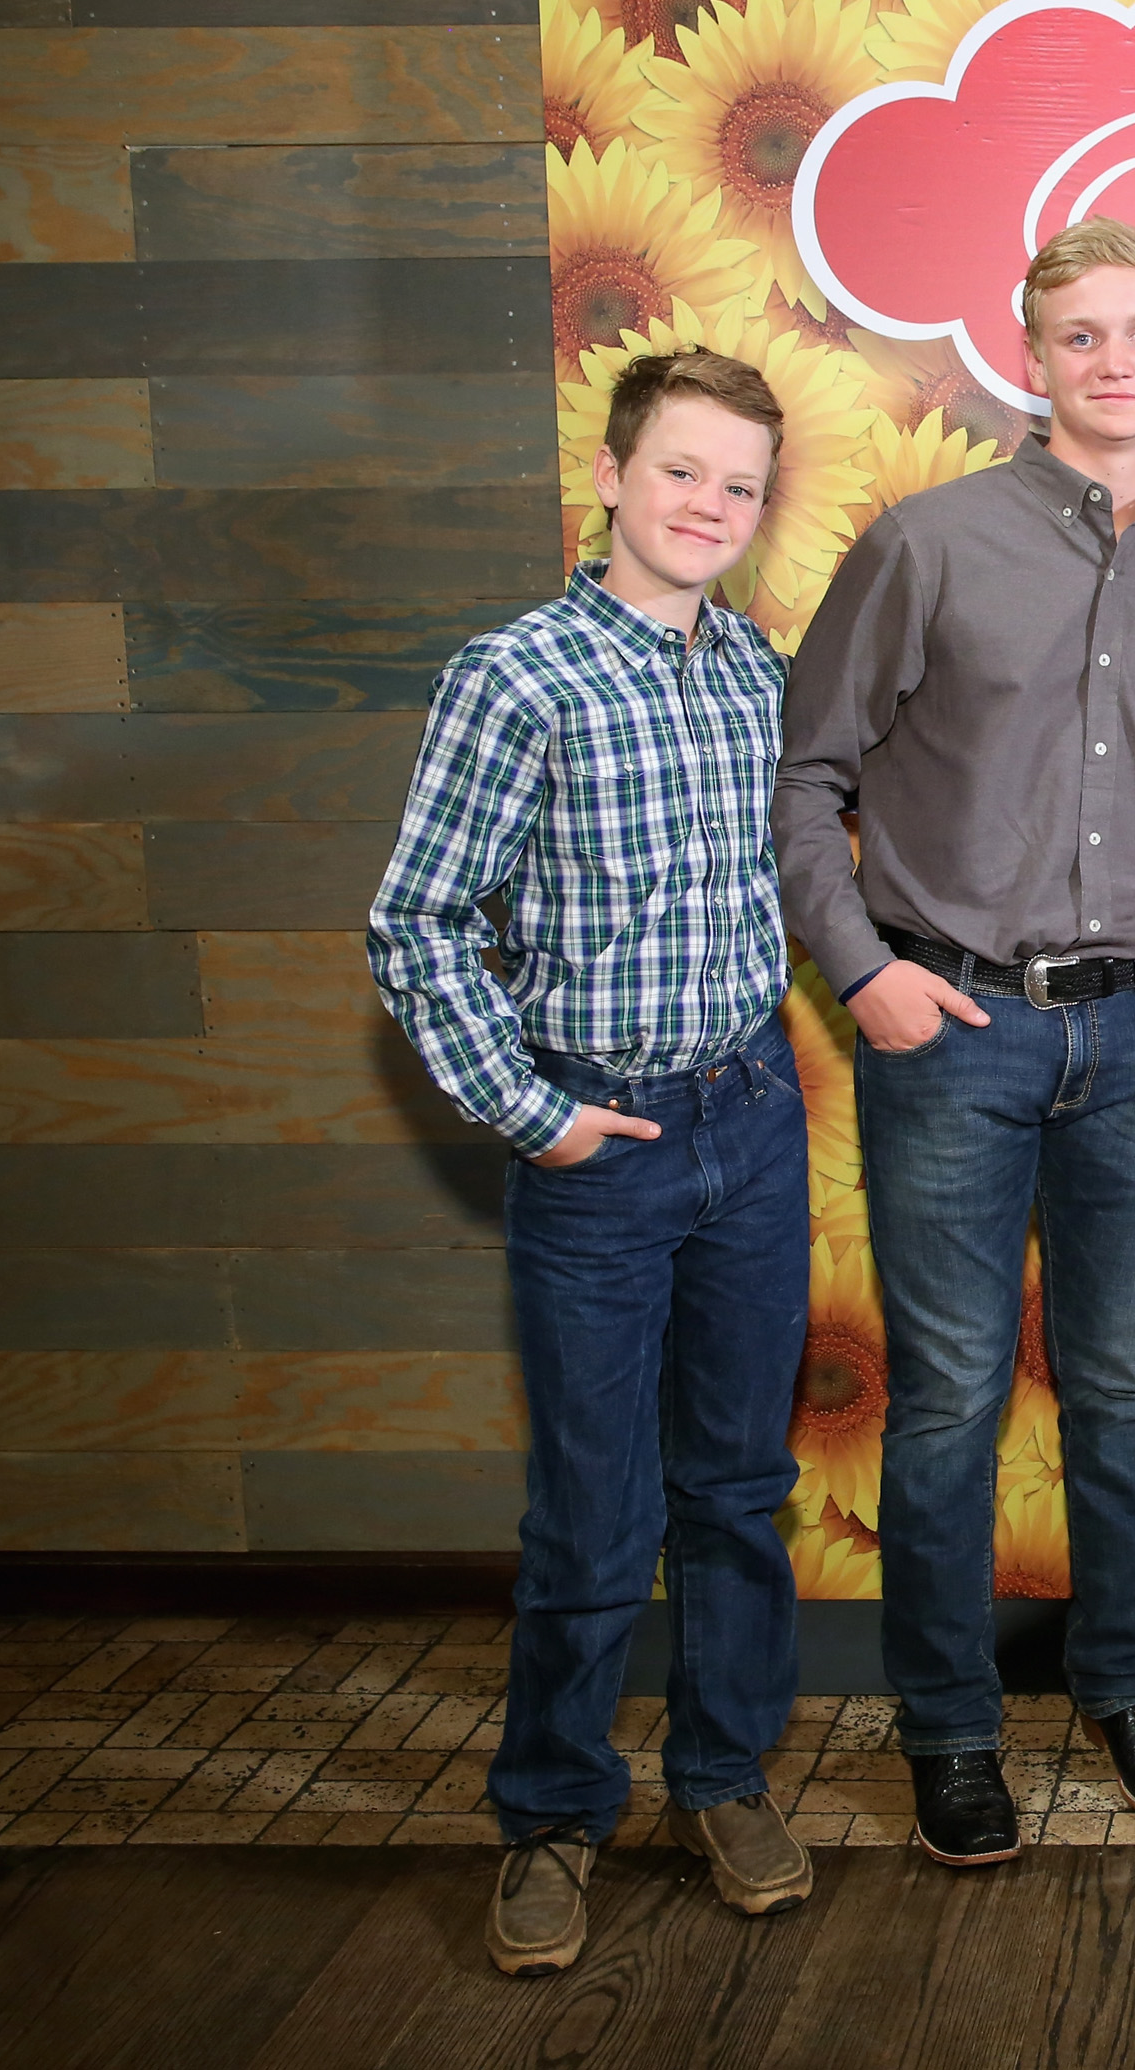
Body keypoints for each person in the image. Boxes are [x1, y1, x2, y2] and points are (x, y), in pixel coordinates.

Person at [774, 217, 1135, 1866]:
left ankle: (1130, 1685)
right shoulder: (925, 547)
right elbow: (807, 776)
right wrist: (862, 970)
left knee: (1123, 1384)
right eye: (1082, 334)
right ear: (1030, 353)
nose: (1114, 360)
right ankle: (949, 1727)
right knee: (951, 1396)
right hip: (952, 1029)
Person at [368, 347, 814, 1976]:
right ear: (613, 475)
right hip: (599, 1143)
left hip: (751, 1116)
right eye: (682, 469)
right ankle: (553, 1811)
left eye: (740, 485)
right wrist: (529, 1108)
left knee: (740, 1487)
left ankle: (722, 1777)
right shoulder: (518, 675)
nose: (710, 504)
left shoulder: (756, 670)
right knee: (593, 1507)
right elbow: (418, 920)